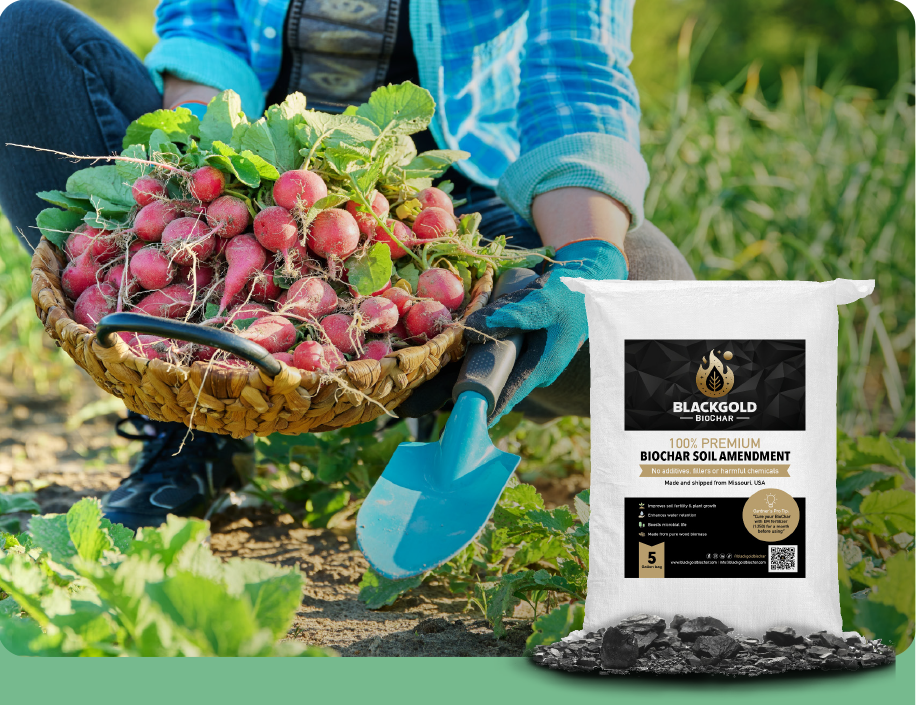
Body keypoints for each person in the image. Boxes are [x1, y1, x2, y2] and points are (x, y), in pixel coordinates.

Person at [0, 0, 693, 529]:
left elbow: (573, 65)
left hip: (445, 213)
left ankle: (431, 379)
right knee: (28, 39)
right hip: (267, 184)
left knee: (658, 313)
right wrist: (204, 199)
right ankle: (193, 411)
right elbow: (206, 27)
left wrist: (586, 259)